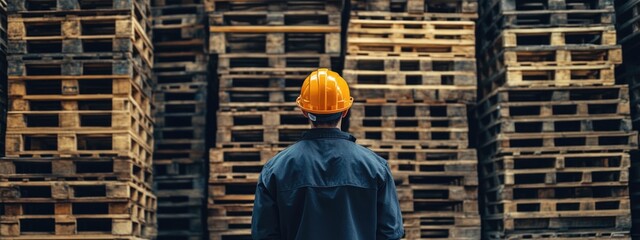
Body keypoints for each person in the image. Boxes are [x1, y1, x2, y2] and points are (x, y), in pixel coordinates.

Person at [251, 68, 404, 240]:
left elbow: (264, 235)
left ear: (304, 111)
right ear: (345, 111)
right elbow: (390, 234)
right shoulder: (376, 169)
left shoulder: (275, 171)